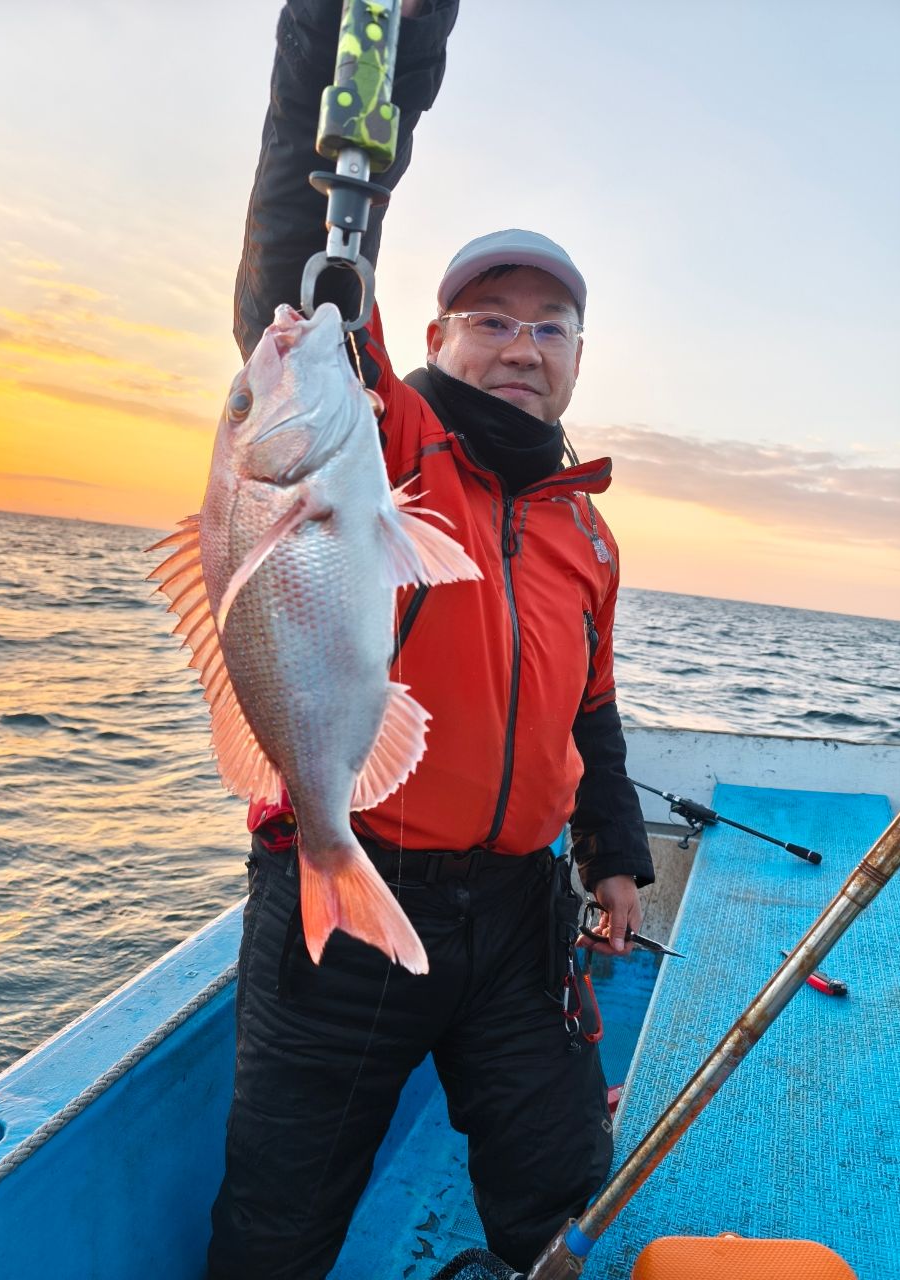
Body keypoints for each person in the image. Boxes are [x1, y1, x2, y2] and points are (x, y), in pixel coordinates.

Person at [208, 3, 655, 1276]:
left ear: (575, 358)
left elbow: (594, 712)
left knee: (561, 1188)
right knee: (279, 1223)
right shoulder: (385, 440)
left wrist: (616, 858)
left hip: (522, 916)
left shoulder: (590, 533)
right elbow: (299, 252)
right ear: (436, 339)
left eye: (549, 326)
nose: (521, 344)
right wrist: (360, 34)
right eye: (491, 319)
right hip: (355, 894)